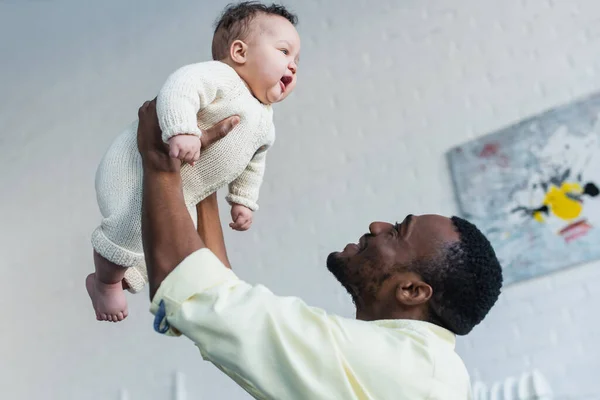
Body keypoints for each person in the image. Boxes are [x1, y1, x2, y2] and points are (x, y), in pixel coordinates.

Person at [135, 98, 504, 399]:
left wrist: (157, 159)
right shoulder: (425, 369)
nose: (377, 227)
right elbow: (221, 302)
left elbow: (198, 295)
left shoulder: (403, 371)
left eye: (396, 233)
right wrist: (205, 179)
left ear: (411, 291)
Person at [86, 2, 301, 322]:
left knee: (166, 245)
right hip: (132, 171)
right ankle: (104, 281)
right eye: (284, 52)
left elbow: (255, 164)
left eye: (297, 60)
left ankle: (125, 276)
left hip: (181, 191)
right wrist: (182, 130)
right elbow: (180, 87)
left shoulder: (265, 121)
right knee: (130, 225)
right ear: (239, 52)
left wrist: (243, 200)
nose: (293, 65)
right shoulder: (221, 77)